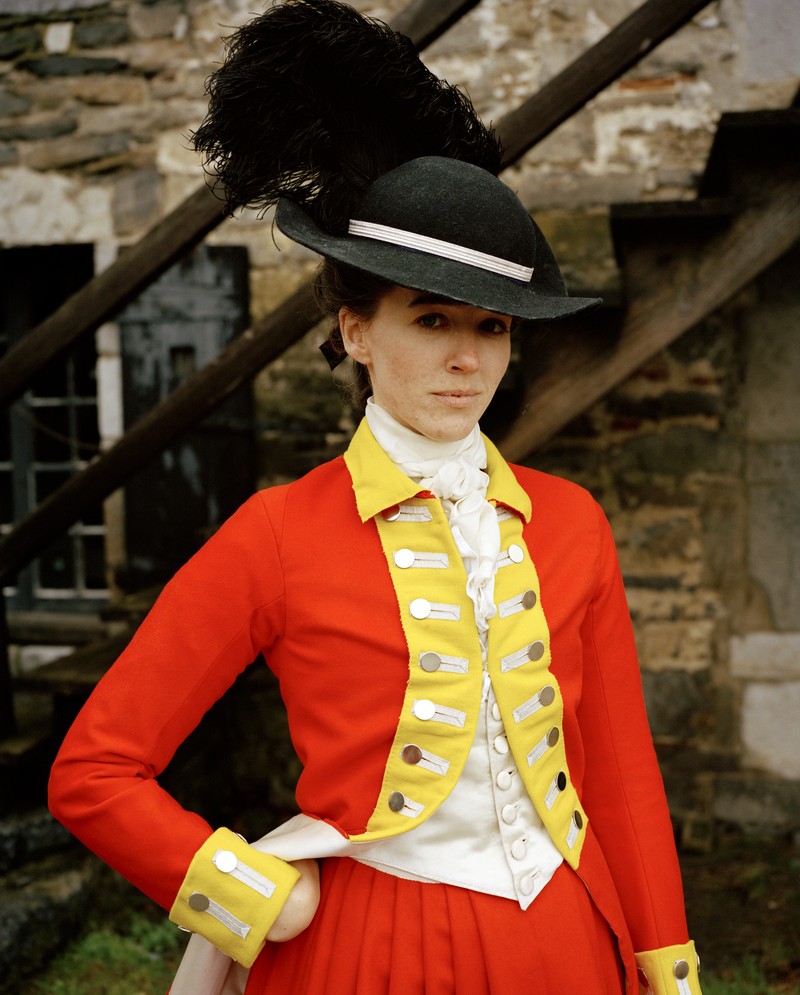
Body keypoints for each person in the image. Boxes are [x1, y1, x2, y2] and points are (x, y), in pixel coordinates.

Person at [48, 2, 703, 993]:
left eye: (491, 326)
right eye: (430, 317)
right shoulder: (277, 532)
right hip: (368, 949)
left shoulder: (573, 522)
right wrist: (253, 893)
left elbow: (618, 773)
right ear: (354, 328)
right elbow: (93, 771)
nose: (463, 356)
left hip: (567, 940)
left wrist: (663, 957)